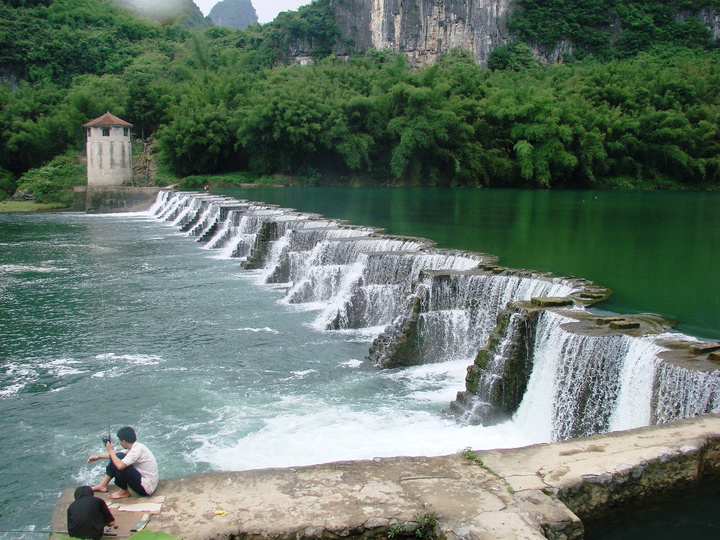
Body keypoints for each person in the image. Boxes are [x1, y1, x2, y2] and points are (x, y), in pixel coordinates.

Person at [87, 426, 159, 499]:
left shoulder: (136, 451)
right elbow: (118, 454)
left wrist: (110, 451)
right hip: (148, 482)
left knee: (118, 461)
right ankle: (103, 485)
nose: (119, 442)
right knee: (117, 456)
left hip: (146, 488)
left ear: (123, 441)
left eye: (119, 440)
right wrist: (98, 457)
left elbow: (120, 465)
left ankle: (124, 491)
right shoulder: (136, 446)